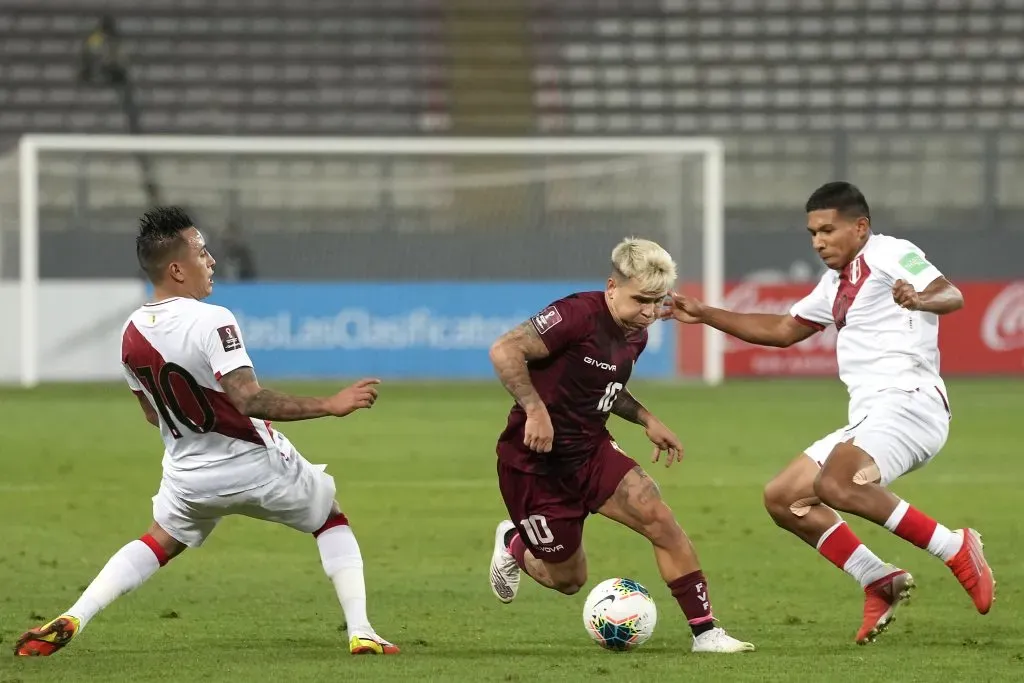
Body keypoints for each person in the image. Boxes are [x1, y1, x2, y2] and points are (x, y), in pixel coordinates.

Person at [15, 207, 398, 657]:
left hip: (189, 476)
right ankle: (362, 630)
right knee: (330, 518)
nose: (211, 260)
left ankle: (76, 614)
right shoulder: (212, 319)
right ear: (177, 269)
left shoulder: (130, 333)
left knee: (160, 539)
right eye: (201, 252)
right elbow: (249, 398)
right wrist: (329, 405)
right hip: (253, 464)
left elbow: (152, 415)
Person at [660, 182, 994, 644]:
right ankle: (878, 579)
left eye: (828, 230)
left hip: (911, 400)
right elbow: (783, 329)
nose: (819, 241)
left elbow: (949, 294)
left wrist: (920, 300)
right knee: (784, 497)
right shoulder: (836, 282)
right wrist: (705, 313)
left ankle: (955, 547)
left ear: (860, 227)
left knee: (835, 483)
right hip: (873, 412)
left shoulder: (891, 252)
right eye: (813, 232)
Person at [487, 237, 754, 654]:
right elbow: (505, 349)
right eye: (641, 300)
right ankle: (513, 542)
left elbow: (605, 390)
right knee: (569, 581)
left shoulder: (636, 335)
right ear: (613, 286)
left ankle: (706, 633)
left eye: (657, 301)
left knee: (658, 517)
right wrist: (535, 409)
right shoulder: (575, 314)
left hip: (590, 450)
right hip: (535, 464)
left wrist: (647, 419)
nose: (649, 312)